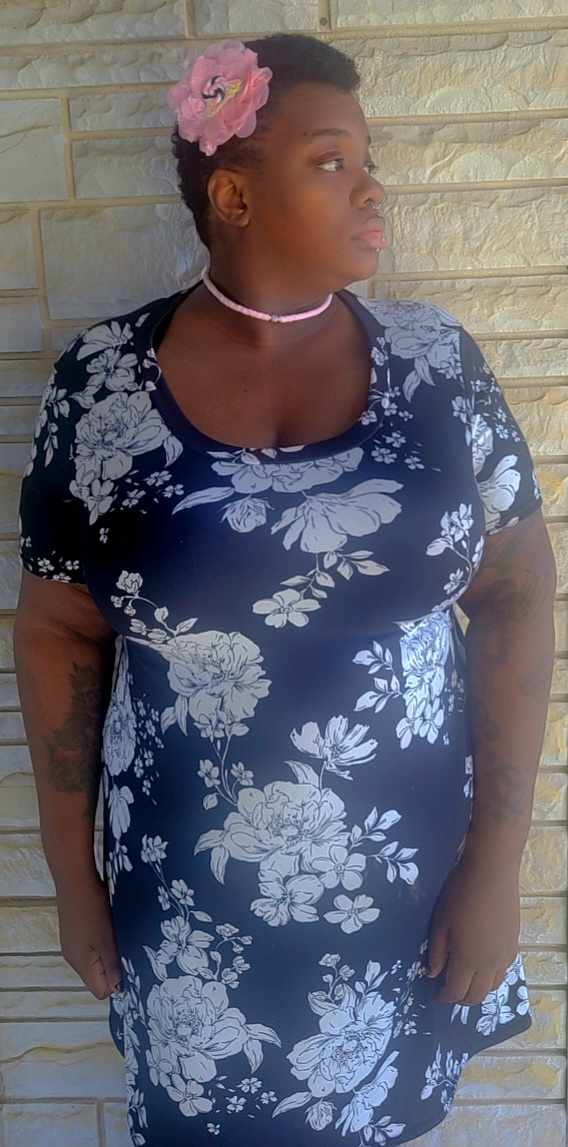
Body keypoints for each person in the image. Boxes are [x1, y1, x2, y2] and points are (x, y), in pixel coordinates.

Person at [13, 31, 557, 1147]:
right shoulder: (104, 383)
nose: (372, 187)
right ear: (235, 194)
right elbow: (60, 628)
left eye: (366, 160)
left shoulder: (436, 364)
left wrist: (498, 867)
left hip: (409, 887)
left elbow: (514, 593)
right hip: (190, 905)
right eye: (330, 160)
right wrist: (74, 881)